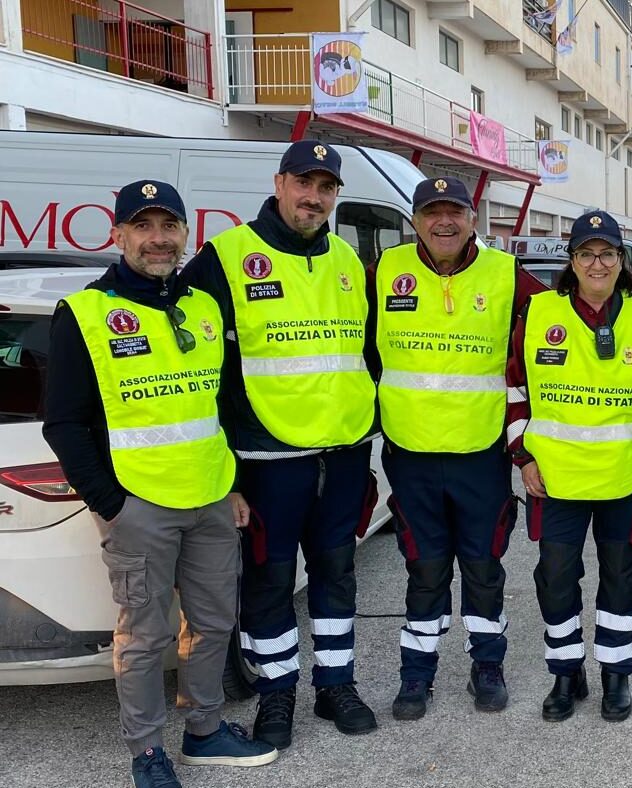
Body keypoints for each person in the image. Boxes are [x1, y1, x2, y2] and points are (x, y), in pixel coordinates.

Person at [43, 181, 278, 788]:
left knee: (213, 623)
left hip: (210, 498)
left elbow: (220, 406)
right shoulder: (87, 314)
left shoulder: (202, 305)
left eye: (167, 226)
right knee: (145, 637)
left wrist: (232, 486)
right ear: (118, 235)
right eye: (142, 227)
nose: (157, 239)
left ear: (183, 234)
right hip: (138, 505)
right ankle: (147, 752)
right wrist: (112, 504)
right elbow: (63, 423)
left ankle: (204, 730)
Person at [179, 140, 378, 748]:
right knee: (269, 580)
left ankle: (335, 684)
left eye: (325, 187)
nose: (313, 197)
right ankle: (276, 693)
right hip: (266, 458)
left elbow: (364, 355)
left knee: (336, 573)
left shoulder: (347, 259)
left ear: (335, 195)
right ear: (279, 182)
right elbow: (193, 367)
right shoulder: (228, 256)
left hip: (342, 453)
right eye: (302, 182)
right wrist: (227, 470)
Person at [374, 177, 548, 721]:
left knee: (482, 566)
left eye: (455, 212)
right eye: (431, 213)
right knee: (424, 568)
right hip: (411, 453)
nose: (443, 223)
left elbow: (557, 326)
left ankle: (487, 664)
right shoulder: (382, 271)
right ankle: (416, 675)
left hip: (481, 454)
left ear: (474, 219)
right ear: (415, 220)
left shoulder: (504, 274)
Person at [505, 209, 632, 723]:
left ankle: (616, 675)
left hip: (626, 474)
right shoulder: (537, 314)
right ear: (571, 261)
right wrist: (523, 455)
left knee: (619, 575)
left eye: (607, 253)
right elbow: (513, 390)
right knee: (556, 576)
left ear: (621, 262)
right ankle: (566, 672)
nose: (597, 262)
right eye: (586, 253)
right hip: (555, 477)